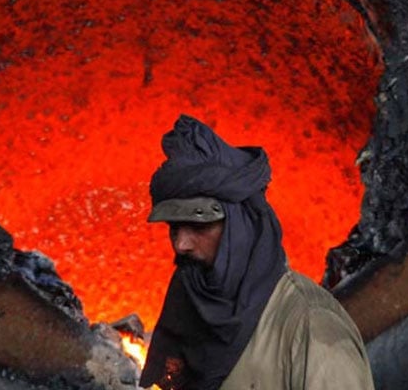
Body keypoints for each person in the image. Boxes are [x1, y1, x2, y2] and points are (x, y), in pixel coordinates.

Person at [139, 116, 374, 390]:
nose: (181, 244)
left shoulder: (313, 332)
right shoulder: (189, 308)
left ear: (241, 226)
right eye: (175, 228)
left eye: (197, 226)